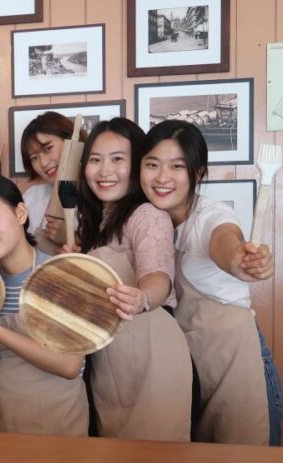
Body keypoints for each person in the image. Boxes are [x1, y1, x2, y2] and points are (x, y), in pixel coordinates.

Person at [139, 120, 282, 445]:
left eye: (177, 166)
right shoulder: (150, 221)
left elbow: (225, 241)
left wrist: (241, 261)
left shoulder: (210, 217)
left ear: (197, 173)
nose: (162, 178)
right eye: (152, 165)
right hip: (195, 375)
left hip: (240, 370)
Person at [71, 117, 192, 441]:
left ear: (136, 165)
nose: (104, 170)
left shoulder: (147, 215)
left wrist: (142, 297)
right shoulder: (95, 224)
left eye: (117, 159)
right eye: (95, 160)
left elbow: (158, 277)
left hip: (152, 354)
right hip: (112, 359)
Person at [0, 174, 88, 435]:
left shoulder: (60, 274)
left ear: (21, 213)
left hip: (60, 418)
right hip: (6, 415)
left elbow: (69, 366)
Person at [19, 111, 86, 255]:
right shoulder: (32, 197)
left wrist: (73, 237)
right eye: (34, 158)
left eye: (48, 148)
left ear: (70, 141)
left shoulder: (99, 192)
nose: (43, 163)